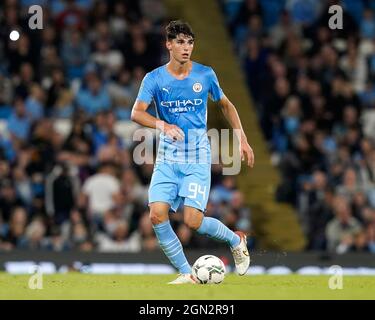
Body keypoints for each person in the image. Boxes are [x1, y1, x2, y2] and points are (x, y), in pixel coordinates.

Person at [131, 20, 254, 284]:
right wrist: (162, 124)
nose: (186, 48)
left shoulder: (205, 75)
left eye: (189, 42)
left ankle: (236, 239)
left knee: (192, 221)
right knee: (156, 214)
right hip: (167, 156)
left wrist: (241, 137)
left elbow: (225, 104)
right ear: (169, 44)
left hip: (197, 156)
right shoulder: (154, 78)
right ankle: (187, 273)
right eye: (180, 42)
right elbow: (136, 113)